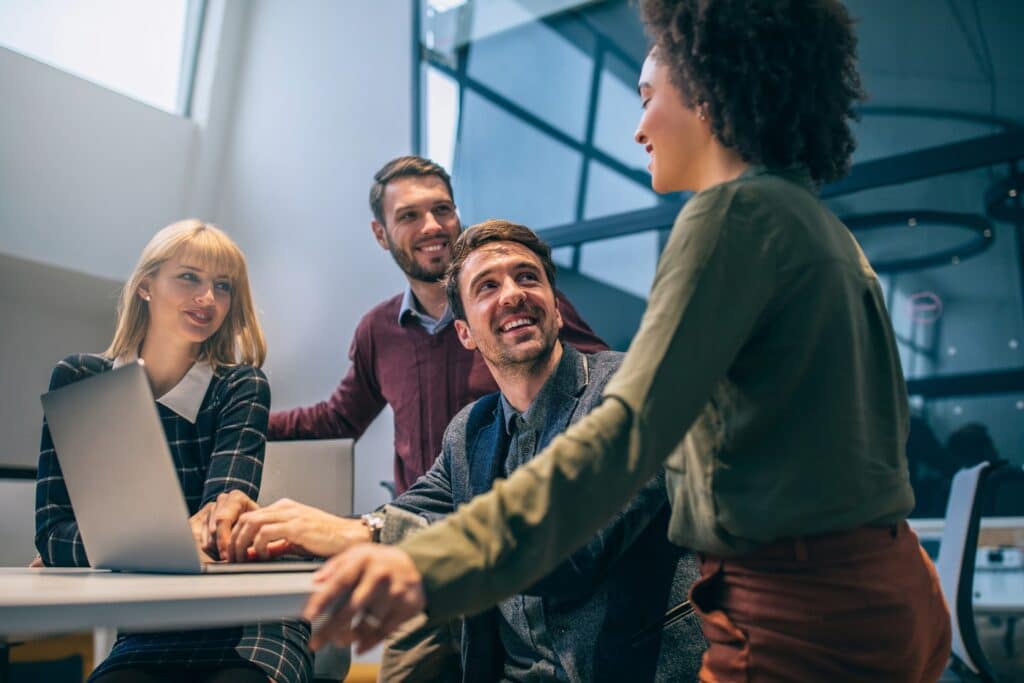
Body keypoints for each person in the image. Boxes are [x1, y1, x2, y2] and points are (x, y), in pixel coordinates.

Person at [302, 1, 953, 681]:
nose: (639, 128)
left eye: (647, 98)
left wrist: (426, 563)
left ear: (706, 91)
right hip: (888, 584)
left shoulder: (733, 216)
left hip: (800, 610)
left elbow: (626, 437)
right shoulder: (813, 225)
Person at [219, 221, 706, 681]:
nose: (512, 294)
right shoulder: (470, 431)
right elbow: (406, 514)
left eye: (527, 277)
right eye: (487, 286)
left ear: (557, 310)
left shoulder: (626, 387)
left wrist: (364, 534)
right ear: (465, 333)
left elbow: (575, 550)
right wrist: (279, 529)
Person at [35, 220, 311, 683]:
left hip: (247, 620)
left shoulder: (240, 387)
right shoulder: (81, 380)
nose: (208, 298)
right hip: (149, 624)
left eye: (222, 286)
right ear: (145, 285)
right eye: (189, 278)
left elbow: (218, 531)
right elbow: (51, 535)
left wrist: (106, 548)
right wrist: (168, 542)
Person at [267, 156, 607, 496]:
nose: (431, 226)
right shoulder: (377, 332)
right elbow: (339, 420)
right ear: (380, 233)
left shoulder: (522, 310)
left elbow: (597, 386)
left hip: (509, 517)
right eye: (409, 215)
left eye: (442, 210)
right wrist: (244, 416)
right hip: (418, 514)